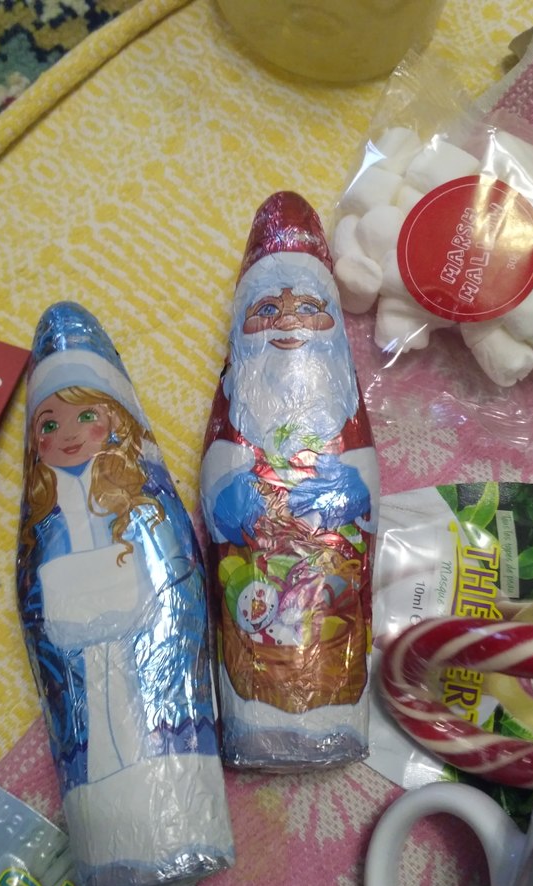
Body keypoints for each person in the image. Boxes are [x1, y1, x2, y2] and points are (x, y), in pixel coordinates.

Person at [17, 301, 233, 886]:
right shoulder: (47, 508)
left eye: (85, 415)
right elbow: (39, 603)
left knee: (148, 716)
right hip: (82, 649)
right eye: (48, 424)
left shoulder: (137, 494)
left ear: (114, 419)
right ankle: (114, 842)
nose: (66, 435)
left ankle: (179, 824)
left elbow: (173, 576)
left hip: (142, 638)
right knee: (93, 723)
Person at [201, 192, 379, 769]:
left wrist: (347, 492)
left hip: (332, 584)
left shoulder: (340, 397)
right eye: (267, 309)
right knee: (248, 623)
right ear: (243, 325)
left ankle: (332, 719)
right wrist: (235, 499)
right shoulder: (240, 398)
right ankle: (255, 722)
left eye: (306, 306)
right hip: (251, 585)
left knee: (335, 617)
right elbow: (218, 475)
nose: (287, 321)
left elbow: (364, 480)